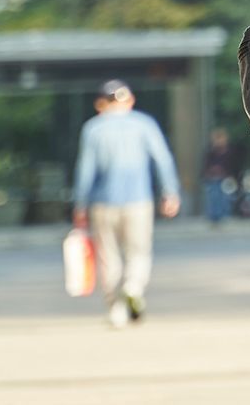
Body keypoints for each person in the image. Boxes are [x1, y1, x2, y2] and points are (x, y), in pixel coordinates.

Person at [72, 79, 181, 329]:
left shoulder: (93, 129)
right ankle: (132, 287)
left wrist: (80, 204)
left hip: (103, 203)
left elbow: (85, 169)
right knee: (138, 251)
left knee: (108, 256)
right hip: (138, 201)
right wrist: (170, 192)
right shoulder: (144, 124)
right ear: (130, 100)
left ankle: (116, 310)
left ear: (101, 104)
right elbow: (162, 159)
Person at [201, 126, 237, 225]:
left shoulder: (229, 151)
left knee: (225, 198)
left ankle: (224, 217)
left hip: (224, 178)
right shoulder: (211, 151)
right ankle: (214, 217)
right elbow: (206, 165)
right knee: (213, 197)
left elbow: (232, 165)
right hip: (212, 178)